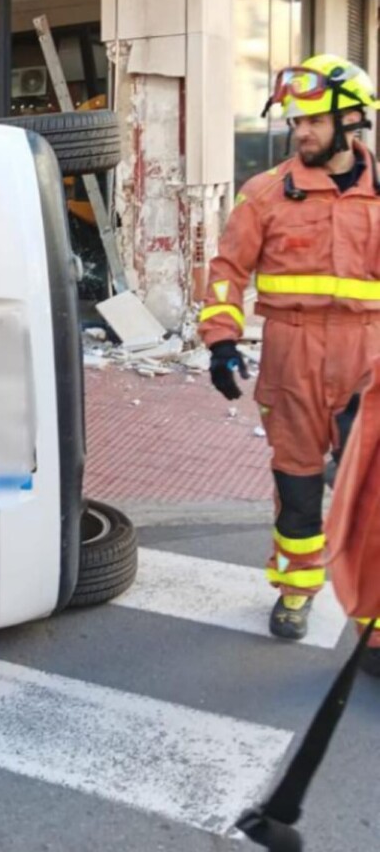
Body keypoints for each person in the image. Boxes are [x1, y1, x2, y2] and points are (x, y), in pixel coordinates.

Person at [199, 53, 380, 644]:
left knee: (371, 495)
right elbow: (227, 271)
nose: (300, 131)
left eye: (314, 120)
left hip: (368, 361)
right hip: (291, 358)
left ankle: (373, 614)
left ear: (351, 121)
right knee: (298, 485)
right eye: (295, 120)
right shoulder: (266, 195)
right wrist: (221, 341)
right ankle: (297, 591)